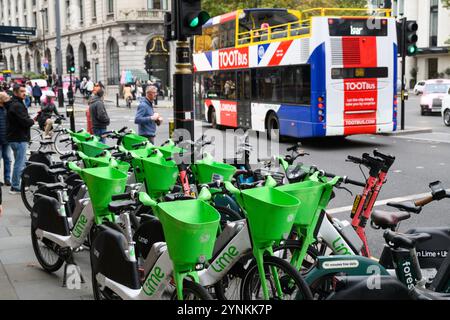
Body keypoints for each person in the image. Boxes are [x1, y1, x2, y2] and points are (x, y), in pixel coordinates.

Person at [6, 84, 34, 194]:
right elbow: (25, 121)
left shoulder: (15, 104)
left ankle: (22, 184)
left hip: (16, 138)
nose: (24, 93)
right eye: (22, 91)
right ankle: (15, 186)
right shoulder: (17, 105)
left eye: (25, 91)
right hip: (19, 138)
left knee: (22, 162)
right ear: (16, 92)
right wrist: (32, 121)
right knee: (20, 163)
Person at [0, 92, 12, 187]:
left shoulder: (8, 108)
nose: (8, 99)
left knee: (8, 159)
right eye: (6, 98)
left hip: (7, 138)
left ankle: (7, 179)